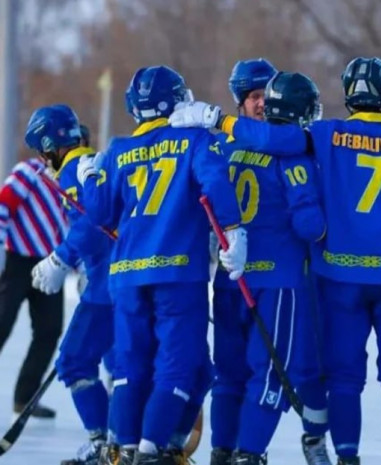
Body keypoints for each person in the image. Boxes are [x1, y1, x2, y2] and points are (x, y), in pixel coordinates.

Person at [168, 56, 381, 465]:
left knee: (344, 380)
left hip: (339, 276)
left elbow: (274, 140)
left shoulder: (326, 134)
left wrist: (218, 120)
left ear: (349, 94)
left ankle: (345, 457)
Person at [76, 65, 245, 465]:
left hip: (126, 275)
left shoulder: (117, 150)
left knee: (130, 363)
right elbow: (216, 183)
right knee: (179, 361)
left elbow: (100, 213)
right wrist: (235, 230)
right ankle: (152, 448)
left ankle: (123, 447)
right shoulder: (194, 139)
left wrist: (89, 178)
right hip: (175, 271)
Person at [210, 63, 332, 465]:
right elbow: (309, 225)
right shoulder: (293, 151)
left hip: (230, 278)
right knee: (269, 374)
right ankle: (247, 454)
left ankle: (222, 452)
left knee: (229, 374)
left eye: (267, 95)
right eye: (254, 96)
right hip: (276, 282)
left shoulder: (224, 149)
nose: (262, 103)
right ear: (241, 102)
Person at [23, 105, 115, 464]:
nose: (42, 160)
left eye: (41, 151)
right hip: (115, 282)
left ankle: (104, 443)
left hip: (106, 287)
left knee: (75, 362)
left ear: (49, 144)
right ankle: (126, 443)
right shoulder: (92, 164)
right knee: (123, 367)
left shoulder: (75, 170)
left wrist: (61, 258)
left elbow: (92, 223)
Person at [0, 116, 69, 420]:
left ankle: (24, 397)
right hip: (17, 261)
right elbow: (3, 206)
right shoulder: (29, 172)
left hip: (48, 266)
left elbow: (69, 225)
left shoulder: (69, 180)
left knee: (49, 330)